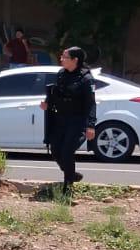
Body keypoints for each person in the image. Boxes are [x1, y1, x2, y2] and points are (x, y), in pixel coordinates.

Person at [40, 46, 97, 193]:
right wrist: (47, 103)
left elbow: (91, 104)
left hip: (76, 120)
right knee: (55, 150)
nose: (61, 59)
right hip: (60, 119)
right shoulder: (61, 74)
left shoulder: (86, 79)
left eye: (65, 57)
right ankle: (71, 174)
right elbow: (56, 94)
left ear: (75, 60)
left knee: (66, 151)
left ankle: (68, 186)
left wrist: (91, 125)